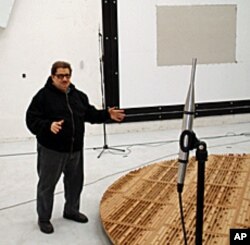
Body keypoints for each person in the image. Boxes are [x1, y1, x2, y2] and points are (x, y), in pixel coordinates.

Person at [26, 61, 125, 234]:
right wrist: (48, 125)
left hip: (75, 150)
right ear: (52, 77)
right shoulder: (42, 97)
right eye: (60, 76)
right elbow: (31, 119)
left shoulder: (78, 96)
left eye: (67, 75)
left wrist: (106, 114)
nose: (64, 79)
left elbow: (90, 114)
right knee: (47, 186)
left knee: (74, 183)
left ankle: (71, 210)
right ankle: (44, 218)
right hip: (52, 151)